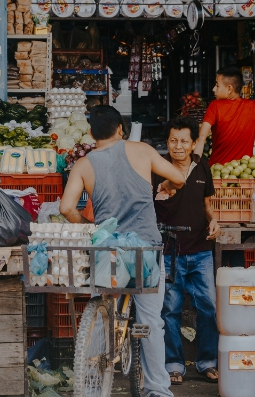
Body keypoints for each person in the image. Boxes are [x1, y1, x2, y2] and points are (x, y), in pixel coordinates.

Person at [60, 105, 185, 397]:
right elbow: (179, 178)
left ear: (91, 133)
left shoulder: (83, 164)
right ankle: (157, 390)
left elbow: (66, 208)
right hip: (144, 251)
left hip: (108, 251)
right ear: (120, 129)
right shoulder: (141, 150)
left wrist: (90, 224)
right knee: (151, 321)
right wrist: (166, 184)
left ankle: (95, 360)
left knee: (104, 301)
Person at [153, 116, 220, 386]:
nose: (178, 146)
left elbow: (206, 205)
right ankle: (173, 364)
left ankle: (207, 362)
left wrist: (214, 219)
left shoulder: (203, 167)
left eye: (184, 141)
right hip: (170, 251)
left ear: (194, 143)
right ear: (167, 142)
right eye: (173, 140)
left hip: (201, 250)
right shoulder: (158, 168)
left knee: (209, 308)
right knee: (170, 310)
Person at [194, 66, 255, 165]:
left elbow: (202, 136)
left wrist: (194, 166)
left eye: (217, 85)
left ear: (229, 89)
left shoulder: (215, 106)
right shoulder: (254, 106)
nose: (213, 89)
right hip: (245, 172)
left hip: (217, 171)